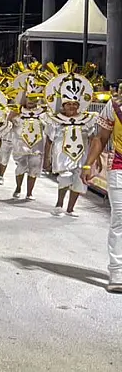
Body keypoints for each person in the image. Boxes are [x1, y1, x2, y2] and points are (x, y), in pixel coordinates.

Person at [83, 88, 121, 293]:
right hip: (119, 168)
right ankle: (117, 272)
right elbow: (101, 138)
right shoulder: (115, 104)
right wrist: (88, 164)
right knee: (120, 219)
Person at [43, 71, 96, 217]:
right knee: (65, 177)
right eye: (68, 104)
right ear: (63, 105)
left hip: (81, 155)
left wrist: (94, 159)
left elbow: (93, 139)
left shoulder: (87, 120)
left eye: (74, 104)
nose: (72, 107)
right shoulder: (55, 120)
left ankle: (70, 209)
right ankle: (59, 204)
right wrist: (46, 159)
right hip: (62, 155)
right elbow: (49, 140)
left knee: (79, 181)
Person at [10, 93, 46, 200]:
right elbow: (8, 122)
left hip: (37, 146)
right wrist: (17, 109)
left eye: (35, 99)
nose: (31, 101)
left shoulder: (42, 113)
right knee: (21, 166)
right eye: (29, 98)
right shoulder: (18, 112)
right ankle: (18, 187)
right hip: (20, 145)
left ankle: (29, 192)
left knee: (34, 168)